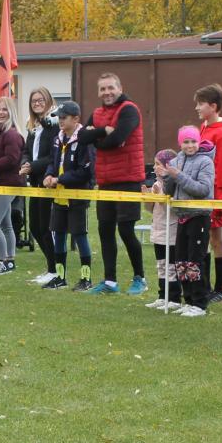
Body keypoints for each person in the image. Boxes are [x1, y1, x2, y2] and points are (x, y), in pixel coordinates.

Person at [81, 73, 147, 295]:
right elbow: (82, 137)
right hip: (106, 180)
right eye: (102, 89)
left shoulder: (129, 110)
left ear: (120, 88)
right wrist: (102, 132)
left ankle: (140, 278)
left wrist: (98, 141)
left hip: (128, 179)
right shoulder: (97, 113)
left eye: (110, 88)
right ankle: (110, 282)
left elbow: (118, 138)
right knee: (105, 230)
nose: (107, 92)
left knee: (126, 230)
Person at [156, 125, 216, 317]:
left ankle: (200, 302)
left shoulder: (205, 162)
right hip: (181, 215)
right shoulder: (175, 161)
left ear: (198, 142)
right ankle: (188, 299)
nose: (190, 145)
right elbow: (169, 191)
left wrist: (178, 175)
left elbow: (202, 190)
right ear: (180, 143)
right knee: (180, 260)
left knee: (195, 261)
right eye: (186, 142)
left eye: (193, 141)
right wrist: (167, 178)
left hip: (198, 215)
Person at [42, 101, 94, 291]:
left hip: (77, 196)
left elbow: (85, 171)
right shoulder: (58, 138)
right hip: (59, 196)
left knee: (80, 235)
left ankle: (86, 278)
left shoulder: (84, 139)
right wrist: (49, 175)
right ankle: (60, 277)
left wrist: (60, 179)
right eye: (59, 118)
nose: (61, 121)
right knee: (58, 234)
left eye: (64, 118)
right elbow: (52, 161)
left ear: (76, 118)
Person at [195, 84, 222, 302]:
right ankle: (206, 286)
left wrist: (219, 198)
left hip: (216, 195)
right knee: (205, 237)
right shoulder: (204, 128)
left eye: (200, 104)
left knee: (216, 238)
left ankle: (220, 290)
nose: (197, 108)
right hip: (202, 193)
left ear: (213, 106)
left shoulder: (221, 133)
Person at [19, 87, 60, 285]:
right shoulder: (33, 125)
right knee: (35, 227)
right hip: (35, 181)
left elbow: (53, 156)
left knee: (45, 227)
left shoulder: (54, 124)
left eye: (40, 99)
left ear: (48, 100)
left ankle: (55, 269)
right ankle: (51, 267)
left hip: (48, 181)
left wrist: (33, 166)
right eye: (34, 101)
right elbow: (26, 150)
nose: (37, 103)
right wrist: (25, 163)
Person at [0, 96, 26, 275]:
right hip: (1, 184)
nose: (1, 112)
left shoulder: (11, 134)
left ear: (11, 112)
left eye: (5, 109)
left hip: (7, 185)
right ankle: (10, 261)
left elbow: (12, 160)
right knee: (6, 225)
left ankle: (3, 261)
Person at [143, 151, 181, 312]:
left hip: (170, 230)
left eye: (158, 164)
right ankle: (162, 295)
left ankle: (174, 297)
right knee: (161, 265)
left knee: (171, 266)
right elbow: (151, 209)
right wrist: (147, 198)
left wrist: (161, 197)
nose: (154, 167)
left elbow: (171, 209)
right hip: (158, 229)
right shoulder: (156, 184)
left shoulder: (172, 184)